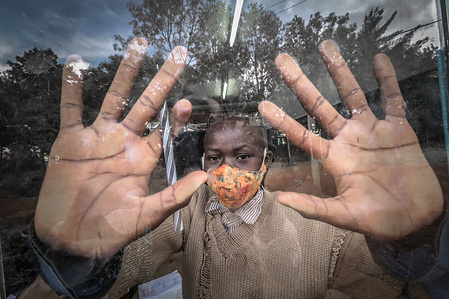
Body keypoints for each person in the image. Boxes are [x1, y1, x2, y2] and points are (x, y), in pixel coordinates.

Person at [18, 37, 447, 298]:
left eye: (243, 157)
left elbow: (391, 280)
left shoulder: (320, 224)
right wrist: (74, 265)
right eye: (214, 158)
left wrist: (413, 239)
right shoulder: (182, 220)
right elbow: (128, 266)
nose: (227, 172)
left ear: (266, 162)